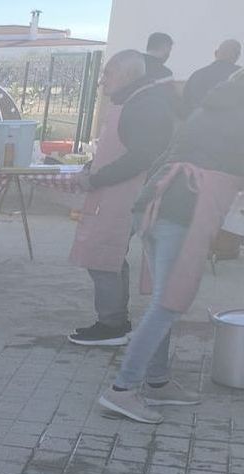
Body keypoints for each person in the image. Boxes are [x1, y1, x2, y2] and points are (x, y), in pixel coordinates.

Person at [98, 72, 244, 423]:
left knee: (165, 299)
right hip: (182, 212)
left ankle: (158, 381)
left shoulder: (213, 107)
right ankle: (122, 390)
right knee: (169, 301)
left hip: (155, 204)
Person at [66, 50, 177, 346]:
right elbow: (117, 149)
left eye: (107, 74)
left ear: (127, 76)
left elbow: (140, 157)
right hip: (118, 192)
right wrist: (92, 167)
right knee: (107, 254)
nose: (102, 82)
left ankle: (113, 326)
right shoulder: (134, 100)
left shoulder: (145, 105)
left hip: (133, 194)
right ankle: (116, 321)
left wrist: (96, 178)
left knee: (103, 254)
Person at [184, 39, 241, 108]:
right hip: (231, 118)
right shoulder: (240, 74)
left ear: (216, 53)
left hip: (198, 118)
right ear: (237, 56)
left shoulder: (195, 76)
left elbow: (185, 104)